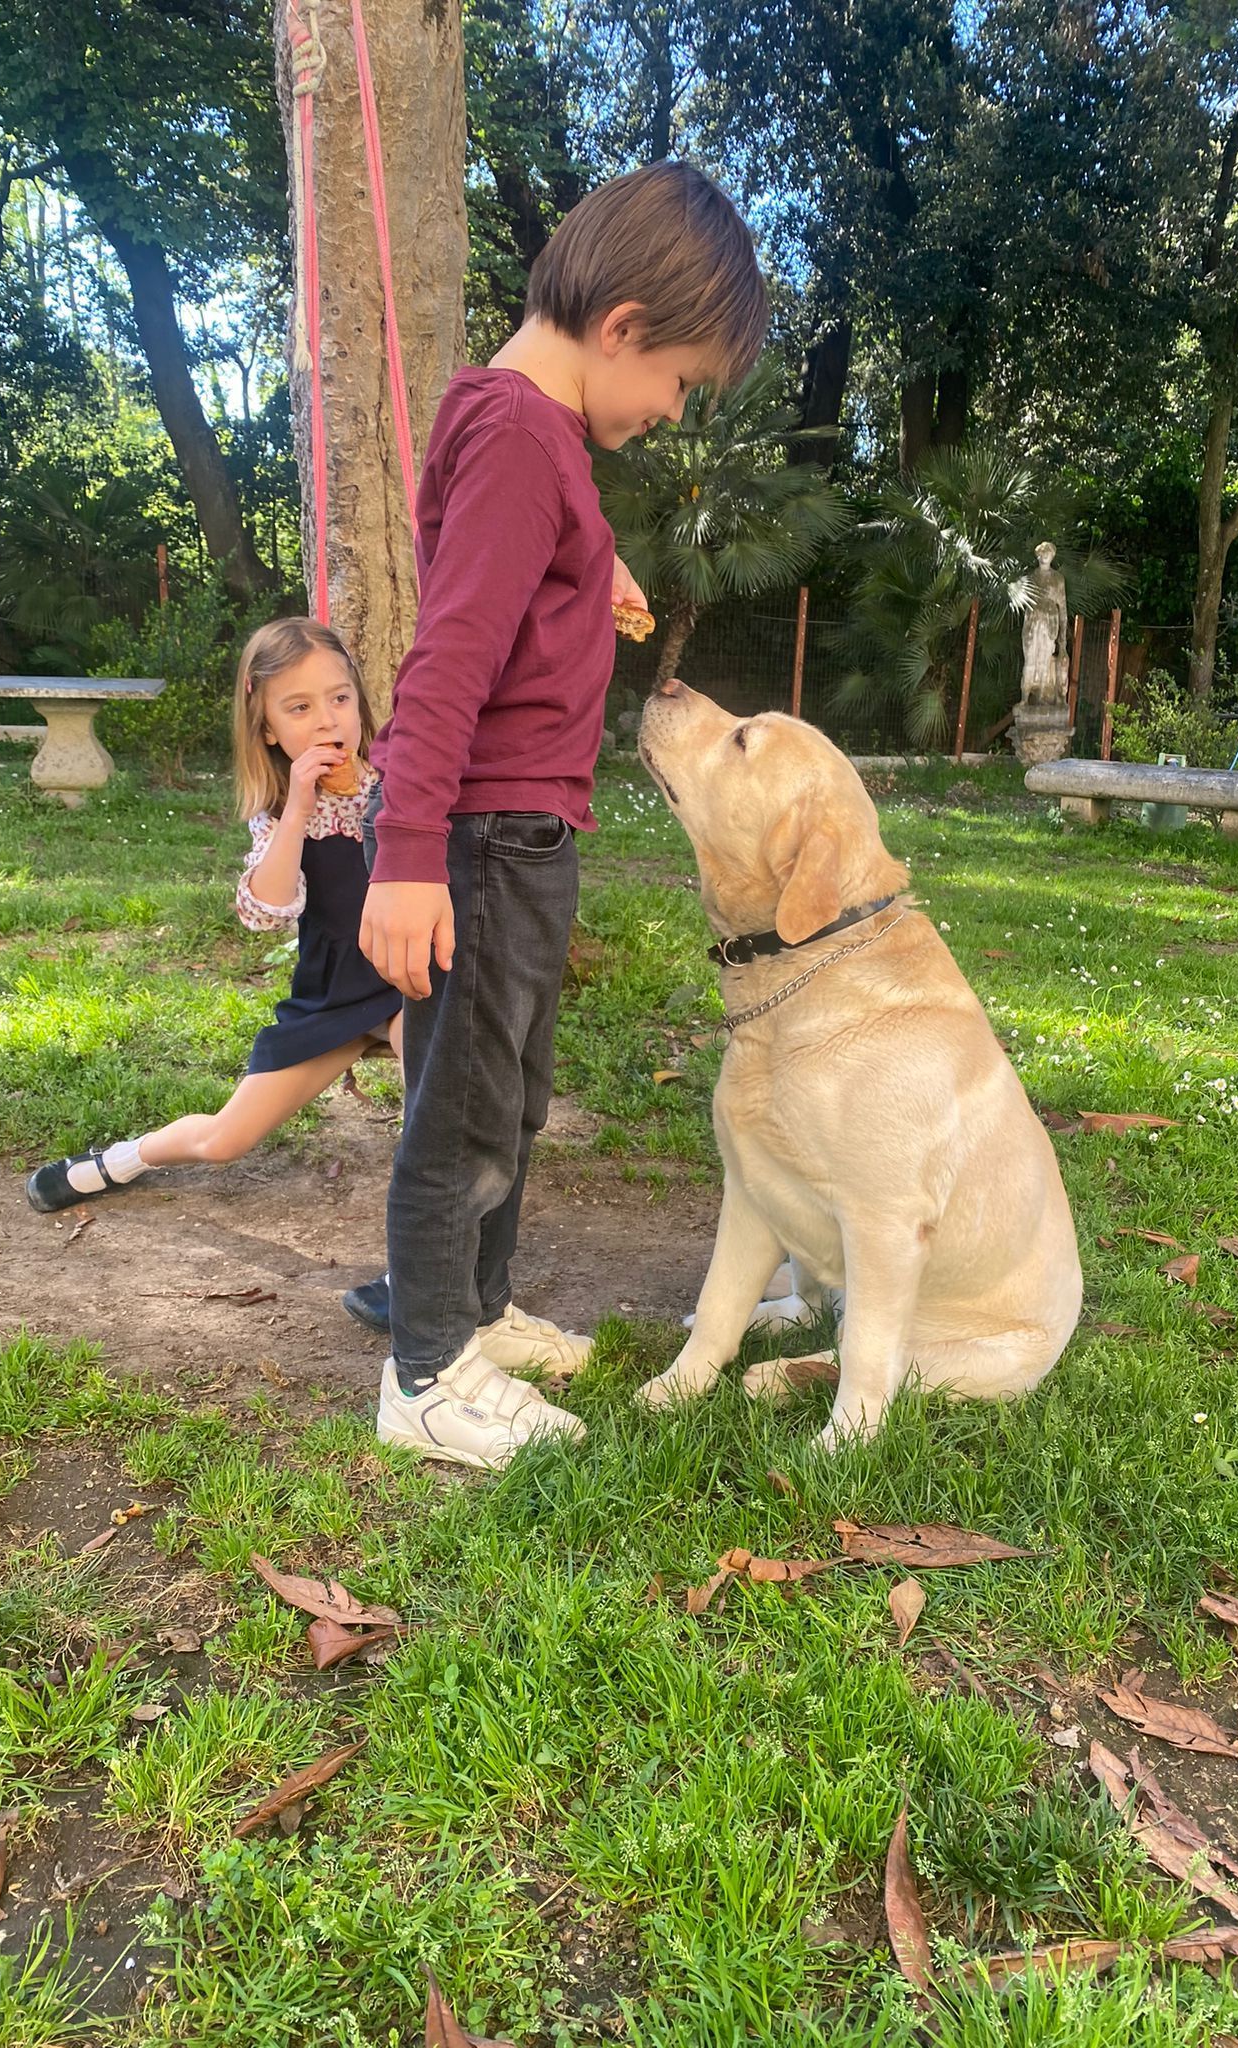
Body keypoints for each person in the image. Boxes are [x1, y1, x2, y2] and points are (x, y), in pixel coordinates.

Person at [356, 160, 768, 1470]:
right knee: (465, 1111)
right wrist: (409, 853)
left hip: (522, 837)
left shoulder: (531, 437)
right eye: (682, 384)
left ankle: (472, 1312)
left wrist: (596, 574)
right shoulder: (525, 437)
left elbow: (522, 564)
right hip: (478, 839)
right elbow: (450, 657)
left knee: (509, 1095)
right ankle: (426, 1375)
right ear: (626, 327)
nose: (671, 411)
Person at [26, 618, 404, 1228]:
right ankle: (116, 1161)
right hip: (334, 992)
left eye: (339, 698)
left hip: (407, 974)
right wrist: (299, 808)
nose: (329, 720)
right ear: (270, 729)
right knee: (224, 1141)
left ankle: (422, 1267)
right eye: (300, 707)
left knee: (434, 1100)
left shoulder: (399, 781)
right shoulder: (279, 811)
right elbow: (265, 911)